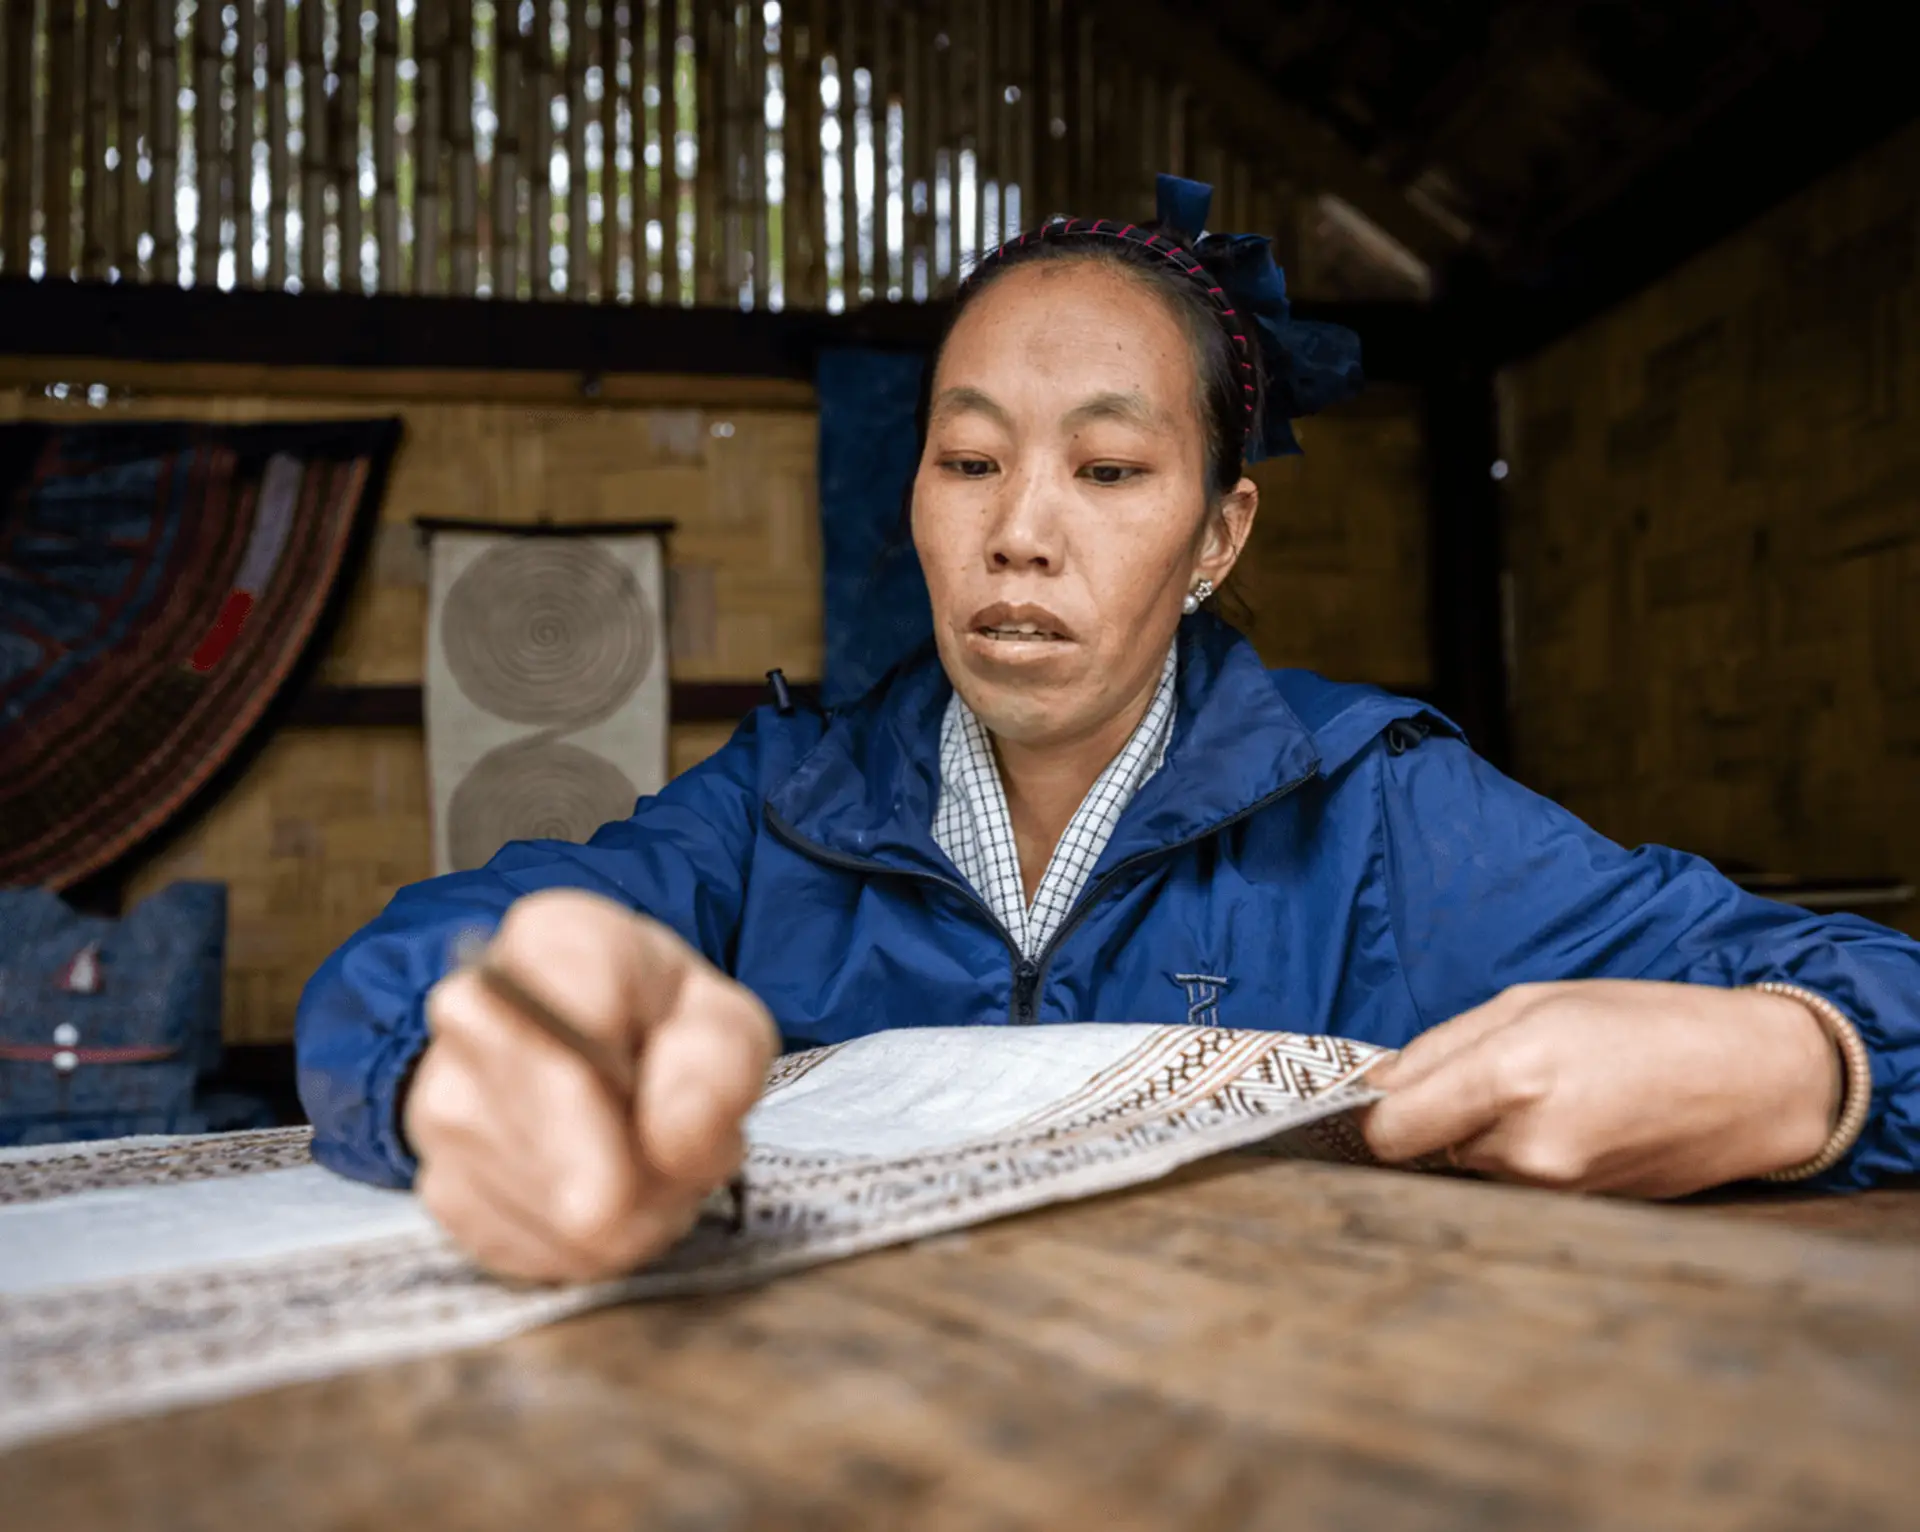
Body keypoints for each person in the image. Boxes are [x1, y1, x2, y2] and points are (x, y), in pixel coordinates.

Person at [296, 176, 1920, 1283]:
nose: (1020, 533)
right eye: (971, 458)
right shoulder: (779, 810)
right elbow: (420, 964)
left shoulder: (1380, 819)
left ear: (1218, 538)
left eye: (1112, 470)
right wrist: (474, 1050)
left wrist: (1807, 1070)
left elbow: (1878, 997)